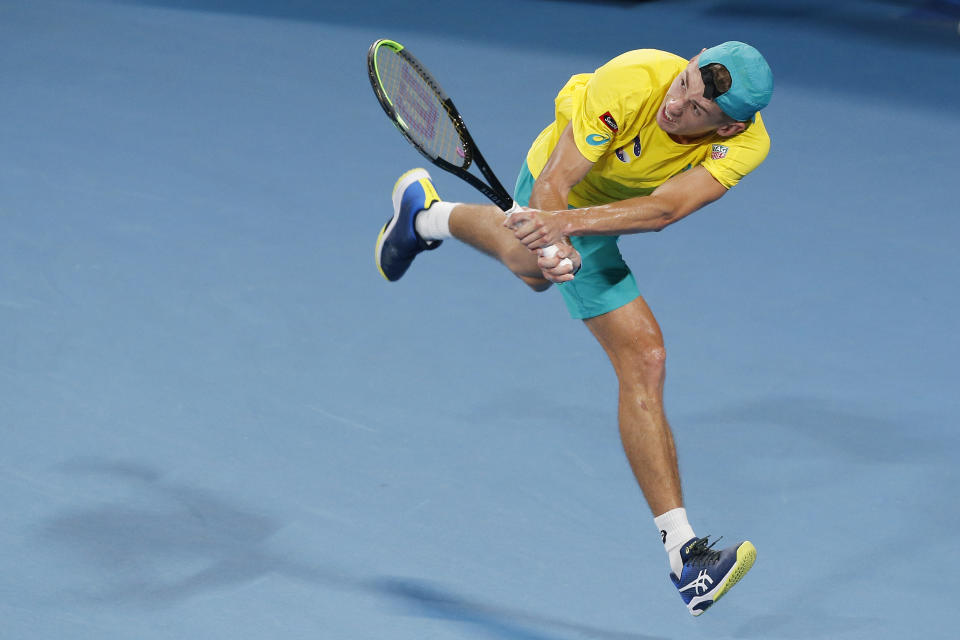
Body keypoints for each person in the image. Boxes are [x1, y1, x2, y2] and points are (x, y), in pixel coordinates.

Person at [374, 41, 773, 617]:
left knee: (530, 268)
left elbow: (664, 210)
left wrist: (558, 233)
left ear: (729, 128)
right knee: (637, 350)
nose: (677, 104)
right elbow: (557, 183)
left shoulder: (749, 145)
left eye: (697, 110)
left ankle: (424, 216)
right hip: (559, 180)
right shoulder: (635, 80)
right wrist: (556, 231)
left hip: (606, 208)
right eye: (684, 83)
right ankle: (686, 557)